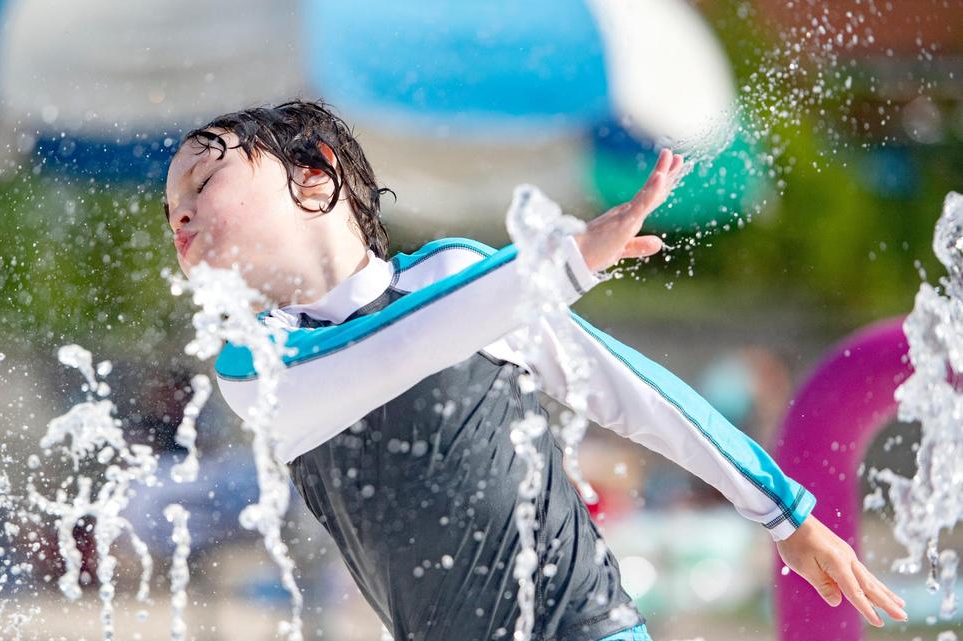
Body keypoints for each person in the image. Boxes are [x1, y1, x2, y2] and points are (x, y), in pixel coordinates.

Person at [162, 100, 907, 641]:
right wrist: (559, 263)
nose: (180, 216)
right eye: (170, 210)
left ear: (316, 178)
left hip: (590, 627)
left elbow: (629, 390)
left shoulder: (457, 275)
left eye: (201, 180)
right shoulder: (255, 365)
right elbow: (394, 350)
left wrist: (784, 511)